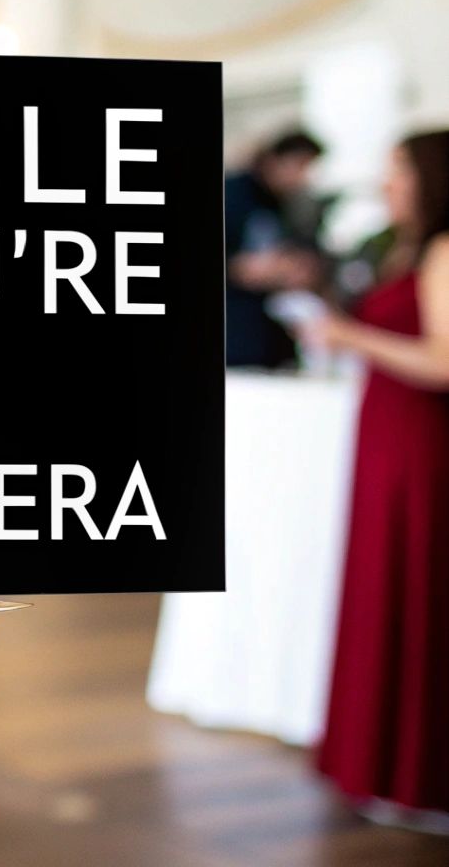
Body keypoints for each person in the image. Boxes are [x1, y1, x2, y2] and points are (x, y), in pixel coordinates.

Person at [310, 130, 449, 828]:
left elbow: (445, 361)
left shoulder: (444, 251)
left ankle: (424, 777)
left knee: (420, 592)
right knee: (386, 589)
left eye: (399, 172)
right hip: (389, 441)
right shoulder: (404, 248)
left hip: (422, 447)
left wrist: (349, 337)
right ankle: (387, 767)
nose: (386, 184)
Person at [225, 129, 327, 368]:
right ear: (273, 160)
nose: (301, 177)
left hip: (269, 331)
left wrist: (301, 267)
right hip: (234, 331)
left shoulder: (290, 204)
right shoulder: (233, 195)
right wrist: (237, 268)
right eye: (298, 166)